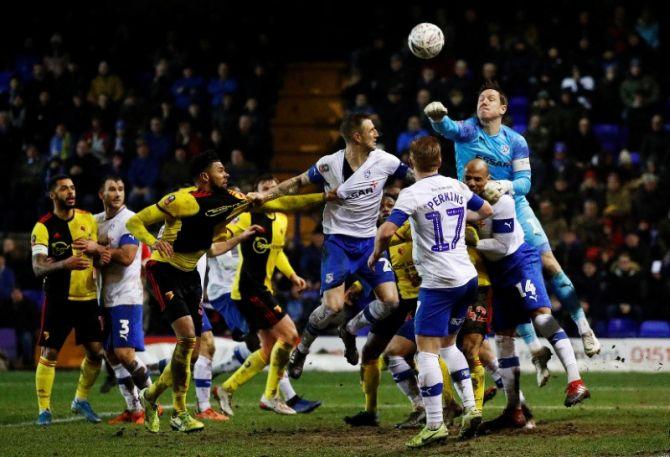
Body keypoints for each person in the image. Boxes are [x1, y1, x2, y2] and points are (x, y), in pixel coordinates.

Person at [425, 81, 601, 366]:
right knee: (503, 281)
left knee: (550, 262)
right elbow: (448, 129)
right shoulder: (469, 130)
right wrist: (437, 118)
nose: (484, 101)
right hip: (474, 213)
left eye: (491, 99)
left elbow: (525, 183)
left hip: (514, 208)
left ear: (502, 108)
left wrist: (505, 185)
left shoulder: (516, 141)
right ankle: (531, 349)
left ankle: (584, 326)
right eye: (481, 98)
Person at [251, 114, 412, 375]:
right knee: (333, 307)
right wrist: (265, 195)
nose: (377, 134)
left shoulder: (386, 161)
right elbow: (297, 182)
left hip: (368, 242)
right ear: (357, 137)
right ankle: (301, 351)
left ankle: (349, 329)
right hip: (337, 242)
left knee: (391, 301)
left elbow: (419, 179)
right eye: (372, 130)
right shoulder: (329, 164)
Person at [368, 137, 493, 448]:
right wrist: (462, 218)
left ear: (412, 162)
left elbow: (386, 230)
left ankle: (435, 424)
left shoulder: (412, 193)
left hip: (439, 284)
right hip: (467, 279)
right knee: (450, 345)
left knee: (426, 351)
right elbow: (487, 209)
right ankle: (472, 408)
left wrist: (374, 256)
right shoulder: (457, 185)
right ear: (440, 160)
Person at [125, 151, 261, 433]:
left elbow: (212, 249)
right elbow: (137, 222)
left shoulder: (211, 213)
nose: (227, 175)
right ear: (204, 177)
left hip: (192, 281)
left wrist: (240, 236)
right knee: (188, 340)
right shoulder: (181, 205)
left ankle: (151, 396)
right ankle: (181, 412)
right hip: (167, 274)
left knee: (194, 352)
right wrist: (154, 242)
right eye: (221, 170)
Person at [463, 158, 590, 431]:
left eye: (478, 179)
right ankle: (514, 410)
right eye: (468, 178)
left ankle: (576, 381)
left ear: (489, 179)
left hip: (519, 262)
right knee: (504, 339)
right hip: (496, 274)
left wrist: (472, 241)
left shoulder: (503, 201)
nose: (473, 183)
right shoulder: (464, 200)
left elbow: (501, 245)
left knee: (542, 318)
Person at [213, 174, 323, 415]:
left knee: (267, 348)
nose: (271, 192)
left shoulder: (281, 219)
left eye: (275, 189)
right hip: (249, 289)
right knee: (291, 335)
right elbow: (219, 237)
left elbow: (278, 251)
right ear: (256, 193)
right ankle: (271, 396)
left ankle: (227, 388)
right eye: (265, 189)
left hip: (262, 289)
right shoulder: (246, 216)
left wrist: (292, 275)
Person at [31, 175, 111, 426]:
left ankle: (80, 399)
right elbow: (37, 267)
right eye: (63, 188)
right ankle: (44, 409)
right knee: (50, 351)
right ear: (53, 195)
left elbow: (98, 258)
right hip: (58, 298)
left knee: (96, 353)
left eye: (72, 187)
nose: (70, 192)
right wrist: (67, 263)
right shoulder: (43, 226)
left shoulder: (88, 218)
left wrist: (98, 251)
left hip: (87, 297)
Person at [95, 176, 152, 425]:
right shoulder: (95, 222)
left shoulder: (130, 219)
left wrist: (98, 249)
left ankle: (153, 402)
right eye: (112, 189)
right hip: (103, 297)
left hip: (126, 296)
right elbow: (93, 259)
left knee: (125, 353)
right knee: (111, 354)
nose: (117, 193)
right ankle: (134, 409)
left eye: (121, 188)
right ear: (101, 194)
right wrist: (97, 255)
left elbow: (128, 257)